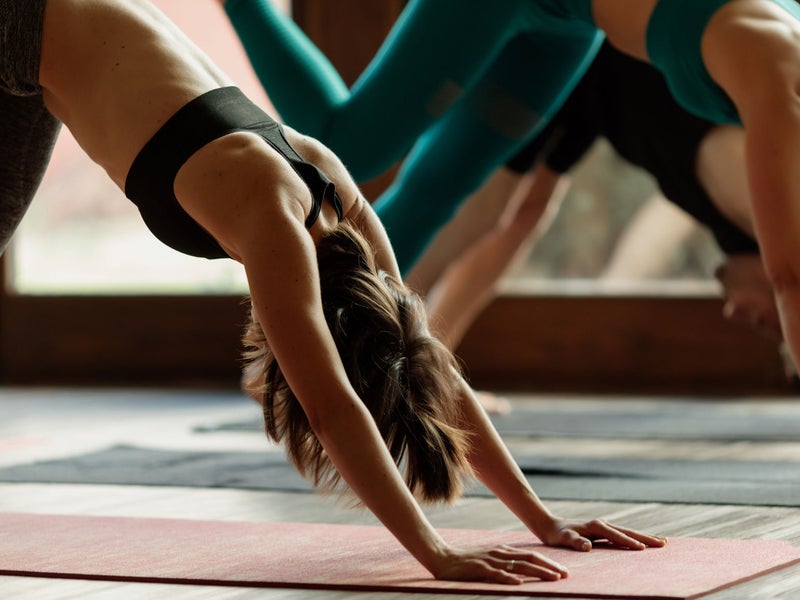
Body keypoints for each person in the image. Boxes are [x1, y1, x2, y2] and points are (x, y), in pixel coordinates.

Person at [1, 0, 664, 585]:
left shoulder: (330, 185)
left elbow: (424, 353)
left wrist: (543, 519)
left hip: (46, 46)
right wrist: (434, 554)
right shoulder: (279, 215)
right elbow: (331, 410)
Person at [217, 0, 800, 371]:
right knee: (352, 143)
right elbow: (789, 276)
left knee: (442, 188)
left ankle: (307, 361)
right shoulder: (778, 70)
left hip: (573, 24)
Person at [406, 41, 781, 354]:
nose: (734, 314)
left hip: (603, 85)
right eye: (769, 323)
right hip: (595, 34)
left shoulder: (744, 227)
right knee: (480, 210)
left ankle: (435, 369)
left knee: (526, 213)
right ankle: (375, 349)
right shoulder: (760, 196)